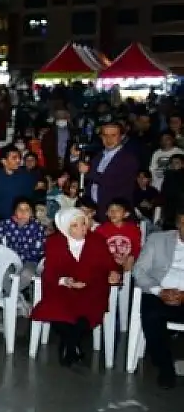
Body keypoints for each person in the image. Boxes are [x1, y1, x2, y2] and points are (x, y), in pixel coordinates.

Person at [33, 209, 120, 367]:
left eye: (83, 224)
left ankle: (68, 345)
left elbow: (110, 264)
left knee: (87, 311)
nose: (81, 228)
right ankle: (73, 345)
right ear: (65, 228)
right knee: (58, 308)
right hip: (64, 287)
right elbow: (50, 272)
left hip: (92, 287)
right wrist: (66, 281)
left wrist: (114, 272)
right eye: (75, 225)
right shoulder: (54, 242)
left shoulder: (97, 240)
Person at [133, 213, 184, 389]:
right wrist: (160, 291)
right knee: (152, 316)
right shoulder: (158, 239)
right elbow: (139, 271)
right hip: (158, 292)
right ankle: (165, 366)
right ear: (178, 223)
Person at [84, 122, 140, 221]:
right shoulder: (98, 156)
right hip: (96, 212)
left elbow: (112, 181)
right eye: (105, 135)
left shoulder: (128, 158)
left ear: (122, 137)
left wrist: (88, 171)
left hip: (116, 215)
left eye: (113, 135)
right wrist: (75, 158)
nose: (109, 139)